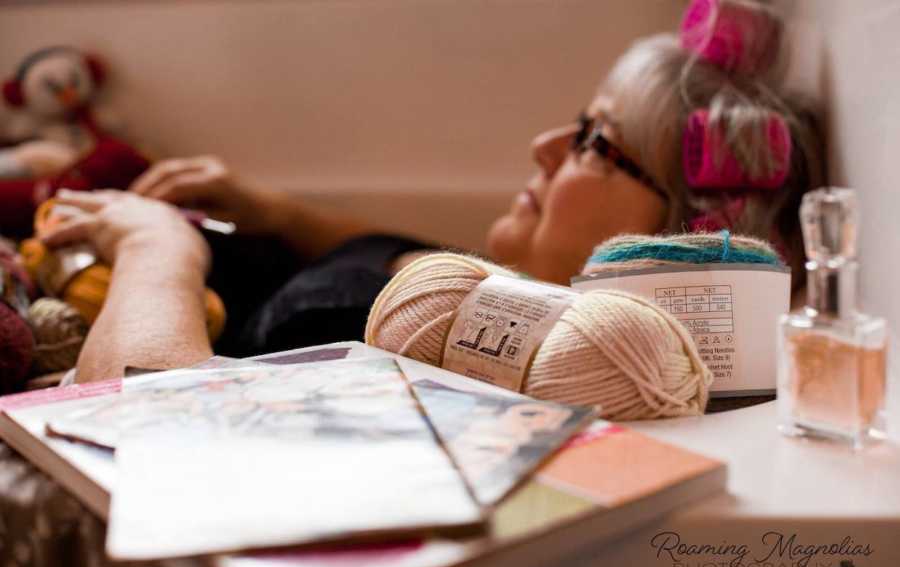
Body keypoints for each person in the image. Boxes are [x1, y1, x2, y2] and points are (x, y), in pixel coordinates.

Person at [41, 1, 825, 382]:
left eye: (595, 143)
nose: (543, 146)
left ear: (676, 243)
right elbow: (394, 261)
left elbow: (148, 428)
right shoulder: (494, 295)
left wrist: (154, 247)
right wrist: (279, 213)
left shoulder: (462, 368)